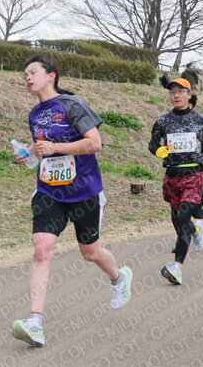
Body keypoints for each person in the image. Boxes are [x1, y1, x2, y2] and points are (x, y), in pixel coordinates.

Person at [11, 53, 133, 347]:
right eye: (25, 75)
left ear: (51, 75)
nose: (27, 78)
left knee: (90, 252)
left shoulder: (72, 104)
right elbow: (41, 148)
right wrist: (29, 154)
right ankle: (35, 322)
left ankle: (119, 277)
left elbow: (95, 143)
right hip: (49, 191)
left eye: (32, 72)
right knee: (42, 249)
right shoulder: (34, 114)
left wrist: (55, 148)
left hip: (84, 191)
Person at [149, 78, 203, 285]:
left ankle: (177, 267)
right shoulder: (163, 121)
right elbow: (152, 144)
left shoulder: (201, 119)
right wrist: (157, 150)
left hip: (194, 174)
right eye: (172, 92)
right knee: (180, 218)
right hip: (172, 175)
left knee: (182, 217)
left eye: (181, 91)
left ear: (189, 95)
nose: (176, 95)